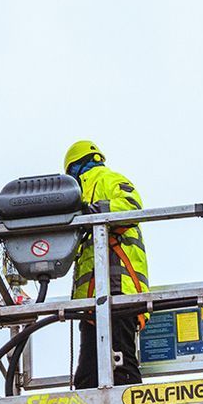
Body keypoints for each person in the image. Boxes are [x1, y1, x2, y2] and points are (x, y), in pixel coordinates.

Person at [63, 139, 148, 387]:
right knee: (88, 376)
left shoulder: (107, 179)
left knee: (120, 365)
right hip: (94, 300)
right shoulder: (79, 196)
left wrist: (97, 211)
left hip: (117, 288)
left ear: (73, 168)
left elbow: (132, 206)